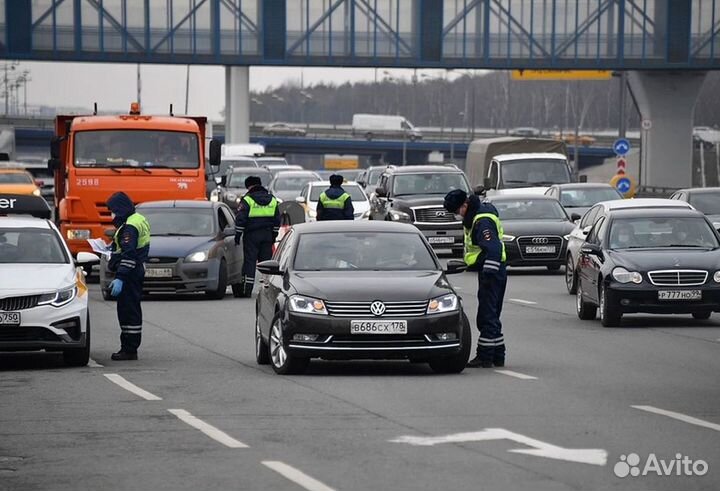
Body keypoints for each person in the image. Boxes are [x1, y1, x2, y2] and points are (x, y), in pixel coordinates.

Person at [444, 189, 507, 368]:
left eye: (457, 211)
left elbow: (493, 248)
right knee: (492, 314)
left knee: (486, 316)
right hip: (491, 271)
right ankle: (498, 355)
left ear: (465, 205)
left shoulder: (482, 221)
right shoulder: (477, 216)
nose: (458, 215)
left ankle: (485, 357)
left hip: (492, 272)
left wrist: (488, 271)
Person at [106, 192, 150, 361]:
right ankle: (130, 347)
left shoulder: (130, 227)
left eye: (113, 210)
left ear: (120, 209)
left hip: (130, 274)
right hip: (136, 270)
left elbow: (129, 255)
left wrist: (120, 278)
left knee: (128, 311)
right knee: (131, 309)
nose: (112, 214)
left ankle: (129, 349)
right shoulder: (138, 219)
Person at [235, 176, 280, 297]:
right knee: (267, 264)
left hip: (251, 236)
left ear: (249, 186)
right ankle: (269, 291)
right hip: (267, 235)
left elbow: (240, 220)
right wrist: (273, 236)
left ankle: (246, 291)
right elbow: (277, 220)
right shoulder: (272, 199)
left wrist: (237, 236)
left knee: (250, 262)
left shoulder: (248, 200)